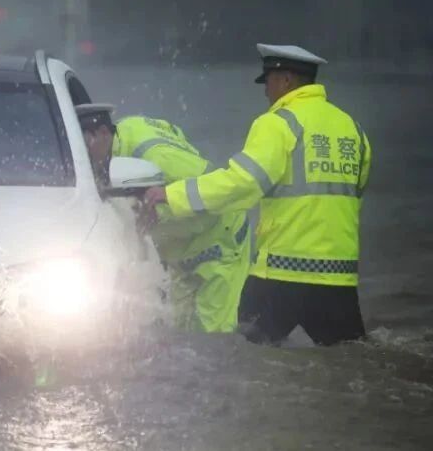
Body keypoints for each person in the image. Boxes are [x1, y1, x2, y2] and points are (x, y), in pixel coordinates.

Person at [142, 44, 372, 346]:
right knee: (351, 360)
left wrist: (172, 195)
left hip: (282, 273)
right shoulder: (352, 129)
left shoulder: (278, 123)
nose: (266, 91)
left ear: (287, 80)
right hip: (338, 279)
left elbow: (241, 183)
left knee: (243, 358)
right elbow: (356, 190)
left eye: (270, 81)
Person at [76, 104, 250, 333]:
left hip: (220, 243)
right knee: (182, 333)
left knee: (214, 336)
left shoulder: (159, 158)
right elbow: (173, 131)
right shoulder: (127, 130)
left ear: (104, 134)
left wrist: (160, 210)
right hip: (185, 249)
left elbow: (217, 190)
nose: (83, 155)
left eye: (85, 143)